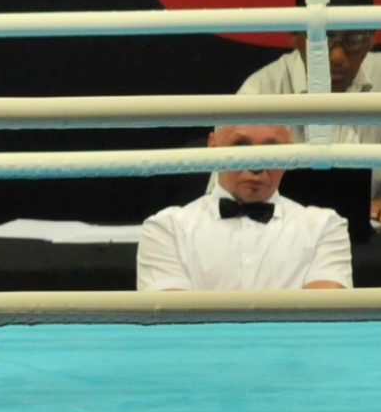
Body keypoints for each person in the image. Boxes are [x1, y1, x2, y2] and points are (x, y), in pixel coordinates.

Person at [236, 0, 381, 225]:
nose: (337, 56)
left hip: (365, 234)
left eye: (353, 40)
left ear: (372, 37)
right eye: (323, 39)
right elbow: (224, 192)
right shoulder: (259, 91)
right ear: (294, 35)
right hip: (278, 234)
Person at [139, 124, 353, 291]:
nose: (255, 165)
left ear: (290, 152)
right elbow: (173, 324)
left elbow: (323, 320)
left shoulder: (324, 226)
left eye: (272, 149)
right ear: (213, 146)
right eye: (241, 146)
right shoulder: (166, 228)